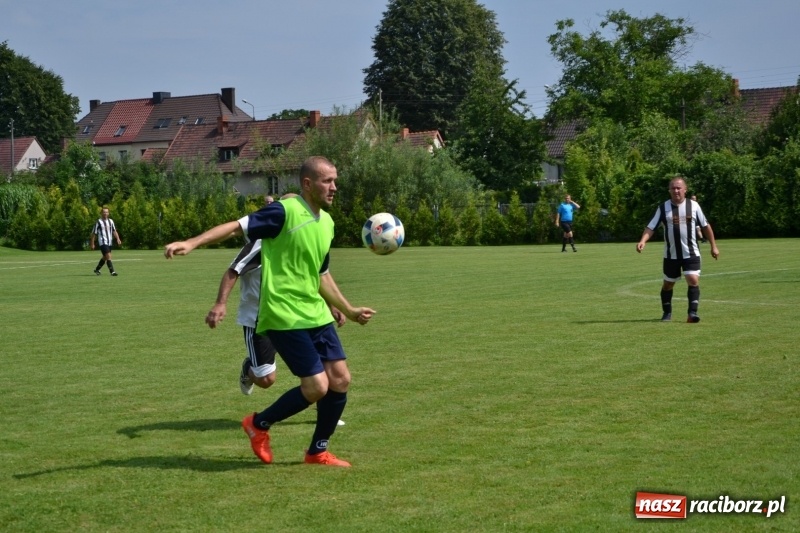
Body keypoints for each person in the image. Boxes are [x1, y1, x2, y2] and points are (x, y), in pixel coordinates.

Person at [165, 156, 374, 467]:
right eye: (327, 181)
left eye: (335, 180)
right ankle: (258, 424)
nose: (334, 187)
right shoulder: (283, 212)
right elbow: (236, 227)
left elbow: (321, 275)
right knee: (317, 386)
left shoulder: (327, 223)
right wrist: (192, 242)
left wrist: (348, 308)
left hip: (314, 313)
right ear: (307, 184)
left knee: (340, 379)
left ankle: (317, 451)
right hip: (283, 314)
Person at [205, 212, 347, 425]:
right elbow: (233, 271)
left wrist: (332, 306)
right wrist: (220, 303)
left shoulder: (300, 244)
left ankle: (327, 413)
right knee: (266, 380)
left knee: (324, 367)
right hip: (259, 320)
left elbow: (314, 278)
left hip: (296, 316)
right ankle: (250, 369)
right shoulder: (260, 246)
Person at [636, 177, 720, 323]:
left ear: (685, 190)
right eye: (673, 188)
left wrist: (714, 246)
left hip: (691, 253)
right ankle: (667, 313)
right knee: (668, 284)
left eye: (679, 188)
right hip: (671, 255)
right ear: (669, 191)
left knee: (693, 280)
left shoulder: (694, 206)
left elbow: (706, 226)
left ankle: (692, 313)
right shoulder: (663, 208)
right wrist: (643, 240)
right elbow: (651, 226)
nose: (676, 190)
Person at [90, 207, 122, 276]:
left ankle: (97, 269)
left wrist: (118, 239)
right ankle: (112, 272)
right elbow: (93, 233)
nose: (105, 213)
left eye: (107, 212)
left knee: (105, 257)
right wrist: (92, 243)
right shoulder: (98, 222)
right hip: (102, 242)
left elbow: (114, 231)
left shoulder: (111, 221)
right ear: (101, 213)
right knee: (108, 256)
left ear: (108, 213)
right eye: (104, 212)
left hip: (109, 242)